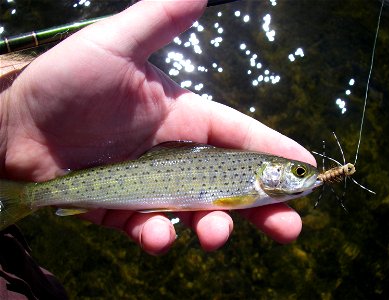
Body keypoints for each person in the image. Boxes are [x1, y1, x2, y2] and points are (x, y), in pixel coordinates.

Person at [0, 0, 316, 297]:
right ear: (270, 172)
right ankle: (26, 197)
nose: (304, 176)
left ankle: (27, 198)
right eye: (298, 172)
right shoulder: (249, 187)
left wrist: (11, 114)